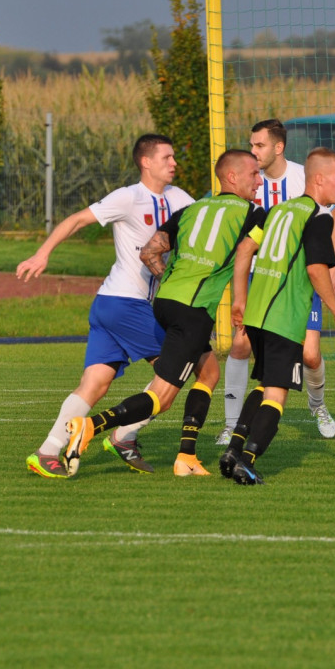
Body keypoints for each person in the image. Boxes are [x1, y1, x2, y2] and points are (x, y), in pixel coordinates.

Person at [62, 149, 267, 477]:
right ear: (232, 177)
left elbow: (150, 251)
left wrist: (172, 282)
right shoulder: (254, 213)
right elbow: (245, 253)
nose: (259, 181)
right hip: (193, 311)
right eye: (254, 174)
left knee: (209, 372)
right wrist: (240, 302)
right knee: (161, 397)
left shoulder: (192, 208)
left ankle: (186, 455)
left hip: (166, 302)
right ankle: (90, 426)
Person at [19, 134, 194, 479]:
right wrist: (43, 253)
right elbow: (76, 221)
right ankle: (124, 434)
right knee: (180, 371)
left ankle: (47, 451)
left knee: (95, 384)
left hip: (109, 305)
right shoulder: (128, 197)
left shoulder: (180, 199)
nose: (174, 163)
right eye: (167, 157)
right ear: (146, 162)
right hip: (126, 304)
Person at [220, 147, 335, 485]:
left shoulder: (276, 211)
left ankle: (233, 450)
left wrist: (240, 299)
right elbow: (316, 270)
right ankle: (248, 461)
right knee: (277, 395)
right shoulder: (319, 217)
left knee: (264, 384)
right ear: (319, 178)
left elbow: (243, 252)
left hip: (257, 312)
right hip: (284, 318)